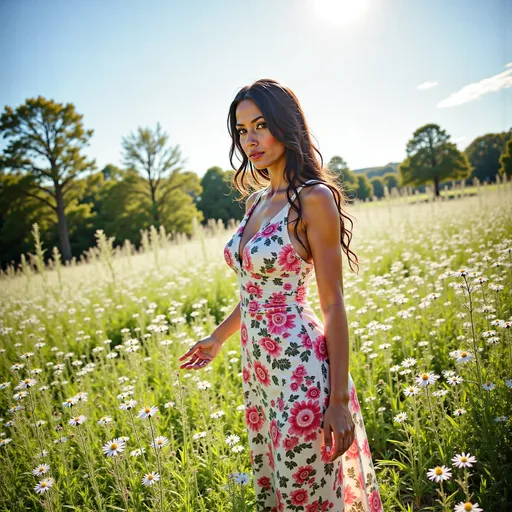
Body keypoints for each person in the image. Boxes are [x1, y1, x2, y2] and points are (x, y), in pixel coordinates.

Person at [179, 78, 382, 511]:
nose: (250, 140)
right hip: (259, 370)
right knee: (276, 487)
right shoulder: (256, 202)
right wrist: (218, 338)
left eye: (260, 125)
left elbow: (332, 304)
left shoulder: (314, 199)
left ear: (286, 127)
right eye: (241, 130)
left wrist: (339, 400)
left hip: (300, 368)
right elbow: (256, 293)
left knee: (307, 491)